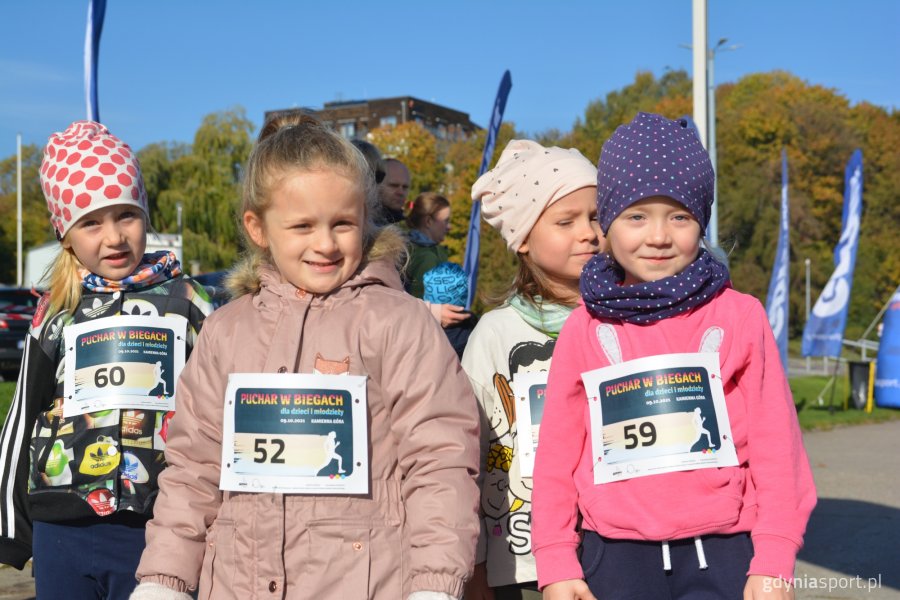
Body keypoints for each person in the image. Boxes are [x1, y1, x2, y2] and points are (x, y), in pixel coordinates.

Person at [130, 115, 480, 600]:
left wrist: (435, 583)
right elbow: (193, 468)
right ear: (258, 227)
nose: (325, 244)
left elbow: (440, 458)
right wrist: (163, 580)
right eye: (302, 226)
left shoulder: (399, 322)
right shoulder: (225, 331)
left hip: (366, 583)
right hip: (236, 582)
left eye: (343, 223)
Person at [531, 113, 817, 600]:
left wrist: (773, 557)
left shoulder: (741, 317)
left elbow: (777, 447)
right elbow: (557, 453)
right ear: (608, 224)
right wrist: (556, 558)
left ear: (701, 221)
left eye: (679, 216)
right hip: (612, 557)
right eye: (636, 216)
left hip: (725, 553)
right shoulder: (585, 326)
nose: (658, 236)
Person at [0, 121, 213, 599]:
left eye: (127, 215)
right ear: (65, 233)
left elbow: (221, 405)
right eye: (92, 222)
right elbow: (20, 417)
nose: (114, 236)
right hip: (64, 526)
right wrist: (11, 527)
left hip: (159, 529)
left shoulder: (189, 300)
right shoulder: (56, 310)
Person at [463, 139, 602, 600]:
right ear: (522, 238)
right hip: (523, 563)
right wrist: (478, 563)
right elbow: (470, 454)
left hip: (616, 549)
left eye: (597, 215)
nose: (589, 233)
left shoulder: (628, 320)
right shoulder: (495, 334)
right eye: (567, 221)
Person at [405, 191, 452, 299]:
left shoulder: (408, 248)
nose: (449, 227)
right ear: (429, 221)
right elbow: (427, 306)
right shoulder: (427, 258)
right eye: (446, 221)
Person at [378, 157, 410, 224]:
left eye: (405, 187)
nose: (400, 192)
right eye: (394, 186)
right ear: (377, 185)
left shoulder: (407, 228)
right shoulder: (365, 226)